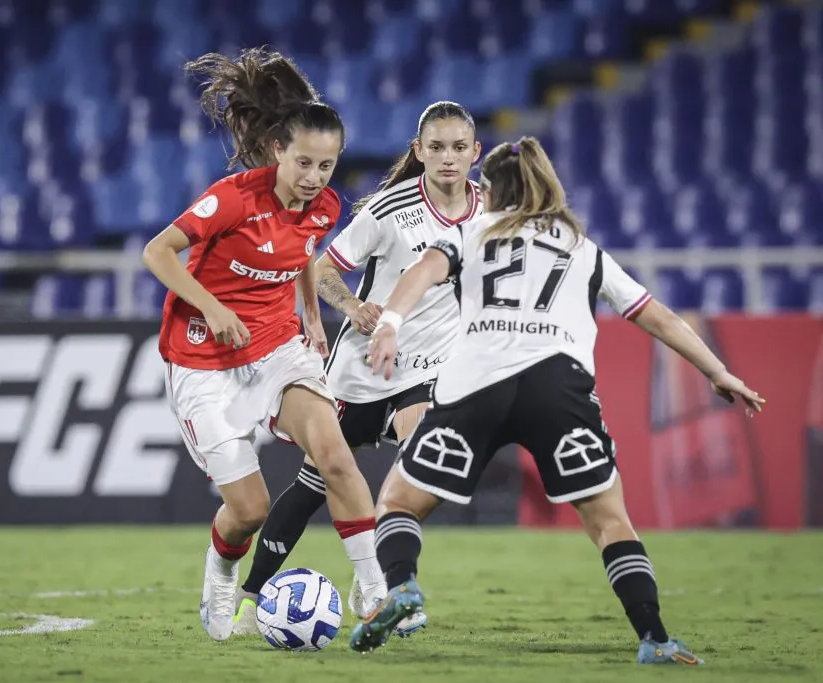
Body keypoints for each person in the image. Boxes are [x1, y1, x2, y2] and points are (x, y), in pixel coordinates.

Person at [350, 137, 766, 664]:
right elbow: (654, 313)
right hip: (558, 388)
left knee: (398, 502)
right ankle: (655, 638)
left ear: (493, 189)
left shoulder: (471, 232)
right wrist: (718, 370)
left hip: (476, 383)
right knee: (609, 521)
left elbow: (421, 273)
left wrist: (389, 323)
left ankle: (403, 587)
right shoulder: (581, 247)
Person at [141, 47, 388, 642]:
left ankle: (376, 588)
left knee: (333, 452)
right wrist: (213, 305)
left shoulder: (324, 207)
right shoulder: (233, 198)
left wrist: (310, 311)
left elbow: (300, 255)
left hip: (277, 347)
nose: (314, 179)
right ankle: (221, 572)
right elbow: (156, 252)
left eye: (326, 166)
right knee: (249, 509)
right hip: (203, 358)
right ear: (278, 150)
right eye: (304, 162)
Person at [232, 101, 483, 637]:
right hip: (361, 371)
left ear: (475, 153)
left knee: (420, 466)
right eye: (436, 147)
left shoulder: (490, 211)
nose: (447, 158)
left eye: (459, 147)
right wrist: (351, 307)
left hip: (427, 369)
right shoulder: (389, 209)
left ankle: (387, 585)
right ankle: (252, 598)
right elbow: (322, 270)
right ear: (418, 152)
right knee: (312, 485)